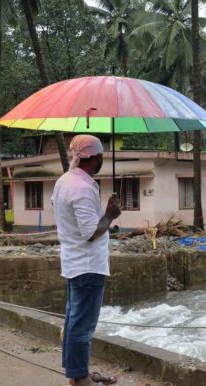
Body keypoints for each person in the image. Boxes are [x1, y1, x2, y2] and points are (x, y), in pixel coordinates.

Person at [52, 135, 121, 385]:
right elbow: (90, 232)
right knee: (82, 326)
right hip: (88, 265)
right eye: (102, 157)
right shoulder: (81, 188)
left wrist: (103, 216)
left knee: (73, 322)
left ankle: (77, 372)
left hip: (73, 262)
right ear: (98, 158)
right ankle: (80, 379)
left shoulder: (65, 181)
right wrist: (110, 216)